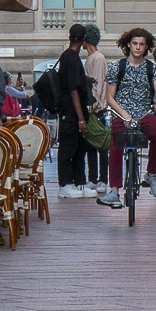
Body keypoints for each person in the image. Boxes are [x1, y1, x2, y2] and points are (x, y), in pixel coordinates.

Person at [100, 27, 156, 207]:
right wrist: (124, 115)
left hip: (144, 112)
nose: (137, 47)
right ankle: (114, 191)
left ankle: (151, 174)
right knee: (116, 146)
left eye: (141, 44)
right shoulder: (117, 67)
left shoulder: (152, 68)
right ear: (128, 44)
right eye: (135, 43)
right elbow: (109, 98)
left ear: (146, 47)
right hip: (121, 113)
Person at [55, 24, 93, 199]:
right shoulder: (71, 58)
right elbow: (73, 90)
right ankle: (65, 185)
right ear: (84, 39)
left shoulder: (69, 57)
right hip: (71, 113)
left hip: (73, 112)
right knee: (68, 148)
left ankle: (79, 183)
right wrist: (81, 119)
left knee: (79, 148)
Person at [82, 25, 110, 194]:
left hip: (96, 110)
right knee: (91, 144)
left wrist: (92, 107)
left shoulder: (97, 58)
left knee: (100, 144)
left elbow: (98, 85)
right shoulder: (93, 58)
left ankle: (102, 179)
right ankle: (93, 178)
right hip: (92, 108)